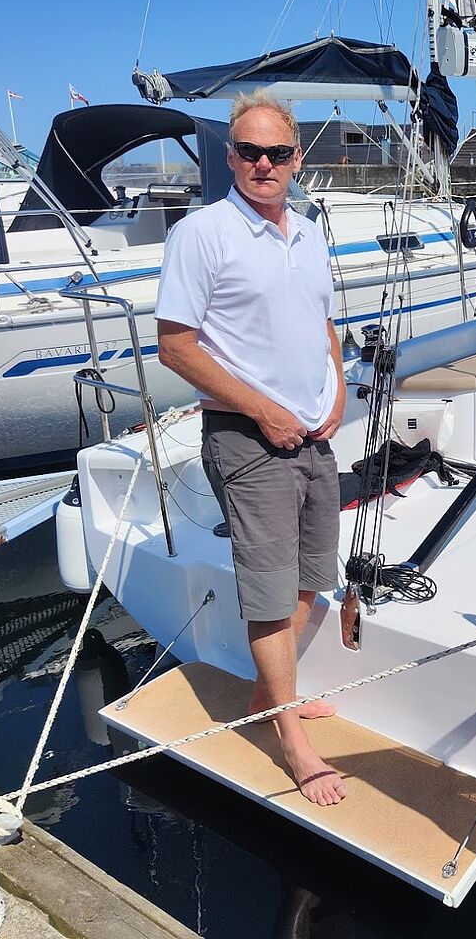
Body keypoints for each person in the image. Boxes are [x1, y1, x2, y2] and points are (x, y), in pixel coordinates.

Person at [155, 89, 349, 807]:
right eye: (249, 151)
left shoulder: (310, 233)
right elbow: (176, 347)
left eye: (277, 152)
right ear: (230, 157)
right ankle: (290, 739)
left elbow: (322, 324)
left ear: (297, 158)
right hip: (247, 437)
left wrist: (337, 392)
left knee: (309, 579)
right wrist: (263, 411)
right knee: (269, 593)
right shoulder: (202, 233)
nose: (264, 164)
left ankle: (269, 697)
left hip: (312, 434)